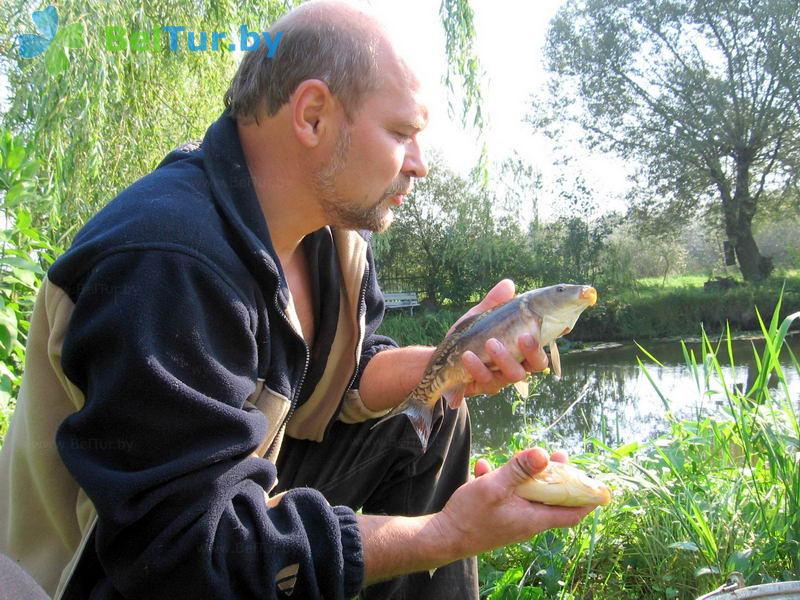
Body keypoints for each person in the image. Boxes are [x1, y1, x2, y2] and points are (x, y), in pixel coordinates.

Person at [0, 2, 599, 598]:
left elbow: (342, 380)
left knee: (433, 417)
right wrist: (444, 534)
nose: (420, 165)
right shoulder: (169, 261)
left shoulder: (330, 241)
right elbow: (186, 552)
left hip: (228, 497)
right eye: (401, 133)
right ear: (312, 115)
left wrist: (448, 359)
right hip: (112, 569)